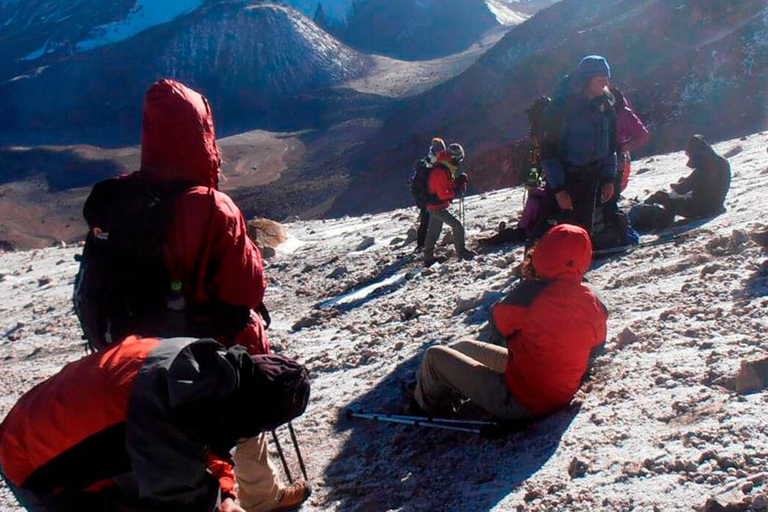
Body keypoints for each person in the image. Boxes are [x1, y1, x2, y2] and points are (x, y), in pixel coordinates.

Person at [88, 79, 309, 512]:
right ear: (203, 133)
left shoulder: (120, 198)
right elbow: (245, 289)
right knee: (241, 421)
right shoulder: (210, 206)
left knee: (166, 444)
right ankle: (260, 499)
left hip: (138, 356)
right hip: (208, 351)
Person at [0, 336, 310, 512]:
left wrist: (225, 495)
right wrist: (219, 505)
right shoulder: (165, 413)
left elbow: (203, 447)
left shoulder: (200, 367)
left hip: (50, 424)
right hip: (34, 464)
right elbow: (178, 501)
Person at [413, 224, 608, 419]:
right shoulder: (592, 299)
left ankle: (423, 405)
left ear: (543, 252)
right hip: (559, 391)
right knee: (462, 347)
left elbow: (497, 324)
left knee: (433, 357)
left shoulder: (530, 296)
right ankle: (445, 385)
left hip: (522, 401)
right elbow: (596, 347)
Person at [539, 55, 618, 237]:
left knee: (583, 233)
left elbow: (610, 145)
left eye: (606, 79)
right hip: (567, 179)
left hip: (592, 179)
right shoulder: (562, 107)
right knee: (556, 232)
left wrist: (608, 179)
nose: (605, 84)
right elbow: (548, 150)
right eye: (600, 80)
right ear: (586, 80)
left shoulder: (606, 105)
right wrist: (559, 189)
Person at [631, 134, 731, 231]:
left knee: (661, 196)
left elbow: (682, 189)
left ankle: (656, 222)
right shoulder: (721, 161)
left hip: (701, 209)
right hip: (717, 206)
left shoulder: (704, 167)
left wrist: (676, 185)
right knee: (675, 200)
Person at [422, 143, 476, 266]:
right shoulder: (442, 171)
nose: (459, 162)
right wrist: (456, 190)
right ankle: (461, 251)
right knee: (457, 226)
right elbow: (443, 194)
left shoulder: (444, 167)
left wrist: (457, 181)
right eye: (459, 159)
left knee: (434, 231)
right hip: (437, 207)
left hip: (434, 205)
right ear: (454, 157)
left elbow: (447, 185)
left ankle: (428, 258)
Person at [410, 137, 447, 252]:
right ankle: (422, 245)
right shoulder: (427, 164)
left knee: (432, 219)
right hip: (424, 196)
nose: (440, 153)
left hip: (430, 195)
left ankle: (427, 244)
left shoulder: (437, 162)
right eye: (438, 151)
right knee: (426, 219)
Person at [611, 86, 650, 194]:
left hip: (616, 157)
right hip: (598, 156)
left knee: (612, 192)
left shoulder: (623, 113)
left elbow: (642, 135)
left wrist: (622, 147)